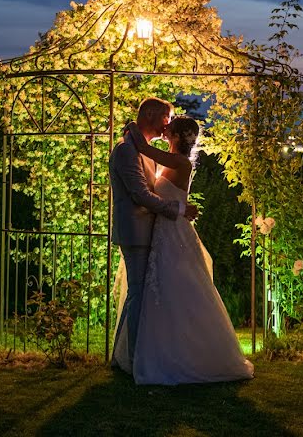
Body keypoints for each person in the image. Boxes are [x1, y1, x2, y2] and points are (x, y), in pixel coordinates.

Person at [118, 115, 254, 385]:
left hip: (174, 232)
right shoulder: (169, 161)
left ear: (178, 137)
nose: (165, 128)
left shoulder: (179, 163)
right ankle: (163, 348)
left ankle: (187, 352)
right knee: (163, 293)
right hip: (162, 230)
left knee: (178, 289)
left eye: (170, 128)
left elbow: (143, 148)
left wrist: (133, 125)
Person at [109, 97, 198, 374]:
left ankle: (131, 357)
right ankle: (131, 359)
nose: (167, 124)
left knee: (145, 295)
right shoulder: (127, 150)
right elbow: (139, 194)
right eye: (165, 118)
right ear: (149, 114)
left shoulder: (142, 149)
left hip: (154, 233)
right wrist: (179, 209)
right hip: (136, 231)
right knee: (137, 294)